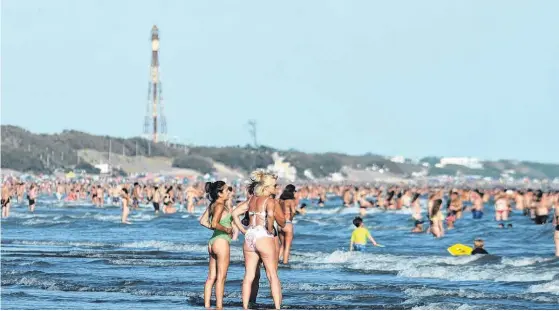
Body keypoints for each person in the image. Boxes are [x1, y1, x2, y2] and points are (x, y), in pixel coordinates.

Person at [232, 170, 282, 310]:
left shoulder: (251, 199)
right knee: (272, 274)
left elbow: (235, 213)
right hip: (263, 235)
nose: (276, 188)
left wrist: (243, 230)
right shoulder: (269, 200)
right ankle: (278, 307)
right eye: (274, 186)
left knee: (249, 275)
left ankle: (245, 306)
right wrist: (271, 229)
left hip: (250, 235)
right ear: (266, 187)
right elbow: (271, 215)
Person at [202, 181, 233, 310]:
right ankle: (219, 307)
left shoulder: (213, 204)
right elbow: (214, 223)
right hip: (221, 242)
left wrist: (216, 230)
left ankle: (207, 306)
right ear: (219, 193)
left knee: (211, 277)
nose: (229, 192)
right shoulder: (220, 205)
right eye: (227, 190)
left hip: (213, 241)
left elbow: (203, 221)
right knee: (221, 277)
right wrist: (225, 230)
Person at [279, 184, 297, 264]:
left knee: (282, 245)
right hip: (287, 223)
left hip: (280, 224)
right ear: (292, 192)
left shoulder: (280, 200)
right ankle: (285, 263)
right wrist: (291, 219)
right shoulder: (291, 201)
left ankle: (277, 261)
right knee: (287, 246)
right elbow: (293, 211)